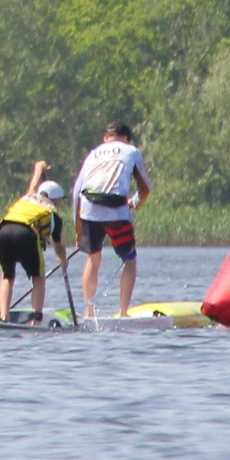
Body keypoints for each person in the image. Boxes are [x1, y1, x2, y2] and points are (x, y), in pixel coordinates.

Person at [73, 122, 153, 318]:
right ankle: (123, 312)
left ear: (105, 138)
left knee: (93, 259)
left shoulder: (93, 153)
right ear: (127, 139)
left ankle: (88, 313)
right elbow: (145, 188)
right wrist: (134, 203)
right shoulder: (132, 151)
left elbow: (76, 192)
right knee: (129, 260)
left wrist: (78, 230)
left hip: (89, 210)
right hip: (117, 211)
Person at [0, 162, 71, 323]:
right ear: (54, 200)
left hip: (4, 232)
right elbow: (58, 246)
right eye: (59, 200)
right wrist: (63, 260)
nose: (60, 203)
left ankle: (4, 315)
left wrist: (39, 168)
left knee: (7, 276)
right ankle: (35, 319)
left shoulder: (27, 198)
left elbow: (32, 186)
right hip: (26, 235)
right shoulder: (52, 215)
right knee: (38, 278)